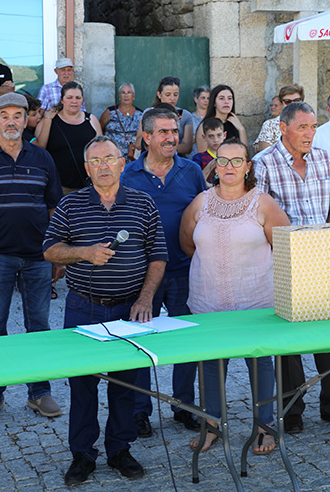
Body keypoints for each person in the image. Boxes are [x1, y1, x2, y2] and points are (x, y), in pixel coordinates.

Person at [43, 135, 167, 485]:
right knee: (82, 383)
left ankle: (119, 450)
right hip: (83, 307)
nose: (103, 166)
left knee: (125, 385)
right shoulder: (71, 205)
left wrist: (145, 300)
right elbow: (50, 249)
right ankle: (82, 455)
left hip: (130, 309)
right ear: (86, 168)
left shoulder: (143, 204)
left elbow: (158, 257)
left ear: (122, 163)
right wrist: (84, 253)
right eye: (95, 161)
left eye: (109, 159)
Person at [254, 101, 330, 433]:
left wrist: (325, 246)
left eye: (313, 126)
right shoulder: (263, 163)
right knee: (288, 343)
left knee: (329, 336)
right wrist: (293, 251)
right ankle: (292, 411)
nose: (310, 133)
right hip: (284, 262)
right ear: (283, 128)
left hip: (322, 259)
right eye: (302, 127)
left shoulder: (323, 159)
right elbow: (259, 219)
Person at [180, 139, 290, 454]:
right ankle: (211, 425)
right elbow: (188, 243)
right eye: (222, 160)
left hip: (255, 303)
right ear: (214, 164)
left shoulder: (263, 203)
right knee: (211, 364)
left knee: (260, 363)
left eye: (236, 161)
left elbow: (284, 247)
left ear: (248, 166)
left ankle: (264, 426)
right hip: (208, 301)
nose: (229, 167)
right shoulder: (201, 202)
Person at [0, 93, 63, 424]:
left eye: (17, 115)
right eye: (4, 115)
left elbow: (54, 210)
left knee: (40, 327)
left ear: (26, 120)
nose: (11, 121)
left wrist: (58, 253)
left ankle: (39, 392)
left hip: (38, 256)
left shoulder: (43, 158)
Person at [122, 107, 207, 437]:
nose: (173, 137)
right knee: (141, 341)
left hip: (186, 270)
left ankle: (184, 406)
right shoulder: (128, 176)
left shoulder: (191, 171)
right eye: (163, 132)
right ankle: (140, 410)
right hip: (143, 276)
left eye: (175, 131)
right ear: (146, 137)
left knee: (186, 340)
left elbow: (203, 215)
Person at [34, 81, 102, 194]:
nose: (74, 101)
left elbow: (101, 150)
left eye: (78, 97)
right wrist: (47, 119)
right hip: (59, 186)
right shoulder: (49, 120)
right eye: (69, 97)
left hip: (90, 186)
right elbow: (40, 148)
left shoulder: (91, 120)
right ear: (62, 100)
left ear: (82, 100)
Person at [134, 77, 195, 156]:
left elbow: (187, 147)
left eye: (175, 95)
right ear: (159, 94)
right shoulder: (148, 113)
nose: (172, 98)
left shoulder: (186, 115)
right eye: (168, 95)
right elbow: (138, 144)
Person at [195, 85, 248, 152]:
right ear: (214, 102)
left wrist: (241, 129)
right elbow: (203, 157)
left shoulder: (235, 123)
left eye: (230, 98)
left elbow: (246, 154)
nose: (226, 102)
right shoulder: (205, 125)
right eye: (221, 98)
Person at [254, 84, 304, 153]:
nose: (292, 104)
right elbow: (266, 154)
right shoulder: (270, 125)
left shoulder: (309, 124)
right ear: (282, 104)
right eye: (287, 101)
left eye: (296, 100)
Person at [99, 83, 141, 161]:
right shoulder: (110, 112)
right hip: (112, 155)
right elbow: (100, 128)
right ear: (119, 96)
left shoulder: (140, 114)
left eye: (129, 92)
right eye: (123, 92)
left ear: (133, 96)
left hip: (132, 156)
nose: (126, 95)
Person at [190, 117, 225, 186]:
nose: (216, 140)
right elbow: (194, 181)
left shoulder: (230, 156)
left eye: (219, 135)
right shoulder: (198, 158)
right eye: (211, 136)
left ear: (224, 135)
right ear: (204, 137)